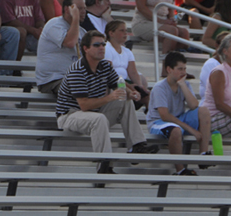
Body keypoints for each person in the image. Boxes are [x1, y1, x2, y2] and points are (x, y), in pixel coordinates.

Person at [56, 30, 158, 174]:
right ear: (85, 49)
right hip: (70, 115)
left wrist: (131, 94)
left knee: (125, 102)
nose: (102, 48)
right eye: (97, 45)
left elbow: (119, 85)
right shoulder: (77, 70)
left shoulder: (104, 65)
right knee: (99, 119)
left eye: (103, 44)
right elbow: (84, 105)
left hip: (94, 113)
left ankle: (137, 146)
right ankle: (104, 164)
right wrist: (110, 97)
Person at [147, 51, 211, 175]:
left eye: (185, 69)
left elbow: (194, 105)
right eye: (180, 69)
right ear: (169, 69)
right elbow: (164, 115)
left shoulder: (184, 84)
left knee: (204, 111)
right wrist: (191, 130)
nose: (183, 72)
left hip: (179, 119)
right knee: (175, 130)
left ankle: (203, 154)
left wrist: (182, 85)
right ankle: (180, 169)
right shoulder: (159, 87)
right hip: (159, 122)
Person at [35, 0, 86, 95]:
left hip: (74, 79)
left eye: (84, 8)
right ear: (67, 9)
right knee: (78, 88)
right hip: (53, 80)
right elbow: (70, 42)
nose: (83, 12)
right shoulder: (54, 24)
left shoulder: (82, 32)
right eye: (79, 8)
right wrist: (75, 18)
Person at [104, 20, 149, 110]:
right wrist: (129, 87)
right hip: (113, 83)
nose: (125, 33)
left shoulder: (127, 51)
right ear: (111, 33)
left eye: (126, 31)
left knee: (148, 96)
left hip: (125, 81)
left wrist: (139, 86)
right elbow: (109, 73)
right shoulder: (106, 49)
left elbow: (133, 72)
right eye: (122, 31)